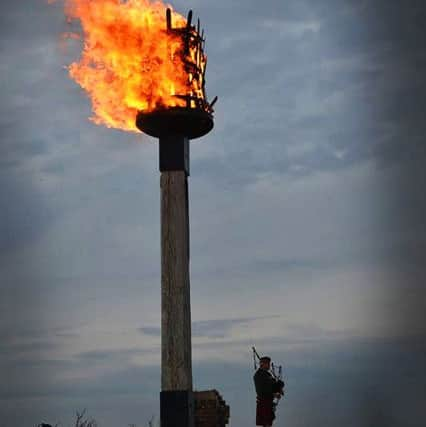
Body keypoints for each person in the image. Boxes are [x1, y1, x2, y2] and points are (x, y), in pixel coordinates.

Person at [253, 356, 284, 427]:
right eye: (267, 363)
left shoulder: (268, 375)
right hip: (263, 402)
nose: (269, 365)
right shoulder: (258, 375)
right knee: (266, 424)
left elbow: (273, 387)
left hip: (268, 403)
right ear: (262, 364)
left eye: (269, 363)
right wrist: (274, 395)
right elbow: (261, 391)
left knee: (269, 423)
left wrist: (279, 385)